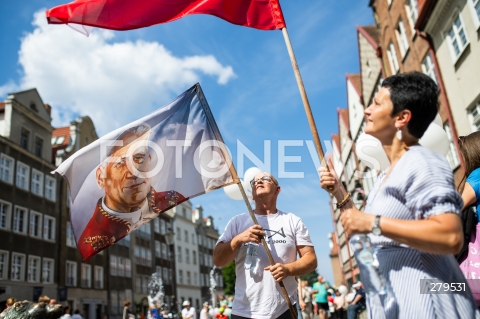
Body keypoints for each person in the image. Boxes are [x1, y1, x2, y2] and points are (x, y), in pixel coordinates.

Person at [319, 71, 480, 318]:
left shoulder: (423, 162)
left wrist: (372, 223)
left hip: (430, 307)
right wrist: (340, 192)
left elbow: (450, 236)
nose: (367, 111)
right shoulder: (385, 177)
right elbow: (368, 235)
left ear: (402, 117)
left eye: (377, 103)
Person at [213, 172, 317, 319]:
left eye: (266, 179)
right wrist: (238, 240)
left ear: (277, 190)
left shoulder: (292, 221)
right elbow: (218, 260)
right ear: (252, 194)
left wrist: (288, 269)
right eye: (254, 181)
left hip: (284, 309)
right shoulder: (237, 223)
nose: (259, 181)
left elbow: (311, 259)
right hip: (245, 311)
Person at [78, 124, 186, 259]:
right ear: (101, 177)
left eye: (140, 158)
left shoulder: (171, 199)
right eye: (121, 163)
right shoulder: (91, 238)